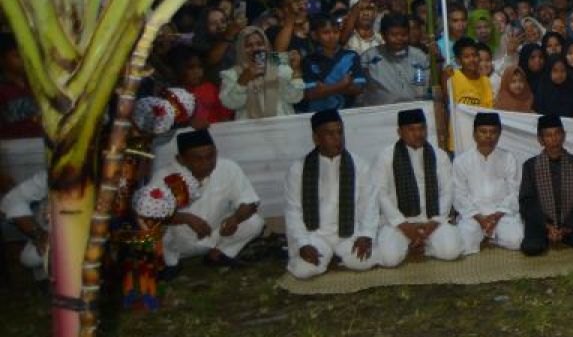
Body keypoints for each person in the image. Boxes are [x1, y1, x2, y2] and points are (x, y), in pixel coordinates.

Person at [283, 110, 378, 279]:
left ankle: (338, 257)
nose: (337, 139)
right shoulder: (298, 169)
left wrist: (366, 235)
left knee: (366, 262)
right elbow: (293, 211)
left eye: (340, 132)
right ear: (316, 138)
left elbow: (369, 204)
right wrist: (304, 244)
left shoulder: (359, 165)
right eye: (330, 134)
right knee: (304, 271)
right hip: (315, 235)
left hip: (350, 233)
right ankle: (326, 256)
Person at [156, 129, 265, 271]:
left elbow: (250, 202)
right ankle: (171, 263)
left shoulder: (228, 167)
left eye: (210, 156)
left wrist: (235, 218)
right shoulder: (164, 176)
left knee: (254, 222)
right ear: (181, 159)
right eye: (198, 158)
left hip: (216, 233)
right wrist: (186, 218)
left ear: (216, 152)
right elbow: (150, 215)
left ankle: (218, 254)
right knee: (166, 233)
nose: (206, 163)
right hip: (181, 239)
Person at [373, 108, 463, 265]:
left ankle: (421, 243)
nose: (418, 133)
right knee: (389, 259)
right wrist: (403, 225)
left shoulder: (438, 155)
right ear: (399, 132)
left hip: (431, 220)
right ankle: (414, 242)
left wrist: (434, 222)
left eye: (422, 128)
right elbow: (381, 194)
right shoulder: (386, 157)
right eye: (412, 129)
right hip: (400, 222)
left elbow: (447, 191)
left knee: (451, 251)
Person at [519, 114, 573, 255]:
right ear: (540, 140)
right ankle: (553, 235)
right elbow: (527, 202)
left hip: (571, 222)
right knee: (531, 248)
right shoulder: (530, 166)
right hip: (542, 223)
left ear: (564, 136)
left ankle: (562, 235)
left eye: (557, 133)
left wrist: (567, 227)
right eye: (548, 135)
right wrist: (547, 226)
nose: (554, 139)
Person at [454, 112, 524, 254]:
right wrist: (480, 218)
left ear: (499, 134)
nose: (488, 136)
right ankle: (487, 233)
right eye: (483, 131)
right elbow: (459, 195)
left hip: (501, 212)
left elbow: (515, 192)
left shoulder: (508, 158)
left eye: (493, 132)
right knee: (463, 245)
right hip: (473, 214)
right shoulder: (461, 161)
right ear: (474, 134)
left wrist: (495, 216)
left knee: (517, 241)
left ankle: (489, 235)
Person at [219, 26, 305, 119]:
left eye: (260, 44)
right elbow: (230, 104)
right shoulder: (231, 74)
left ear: (266, 45)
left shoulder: (280, 67)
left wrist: (296, 71)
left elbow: (295, 98)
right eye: (248, 45)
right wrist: (242, 81)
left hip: (282, 127)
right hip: (249, 130)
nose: (255, 49)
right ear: (240, 48)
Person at [301, 13, 367, 113]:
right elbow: (310, 94)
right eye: (326, 33)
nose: (332, 36)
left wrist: (324, 89)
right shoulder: (308, 60)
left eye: (336, 32)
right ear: (314, 35)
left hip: (348, 113)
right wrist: (342, 85)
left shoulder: (351, 56)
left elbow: (359, 88)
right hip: (320, 115)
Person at [360, 14, 431, 105]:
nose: (399, 38)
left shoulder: (419, 57)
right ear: (383, 35)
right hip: (379, 112)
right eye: (394, 35)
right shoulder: (368, 57)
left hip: (413, 110)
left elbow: (421, 87)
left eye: (403, 34)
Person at [0, 170, 49, 279]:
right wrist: (39, 235)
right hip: (61, 234)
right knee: (30, 257)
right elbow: (11, 200)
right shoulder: (60, 173)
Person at [0, 34, 41, 138]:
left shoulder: (36, 84)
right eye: (17, 56)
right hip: (12, 149)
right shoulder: (2, 88)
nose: (23, 59)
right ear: (2, 60)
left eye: (24, 54)